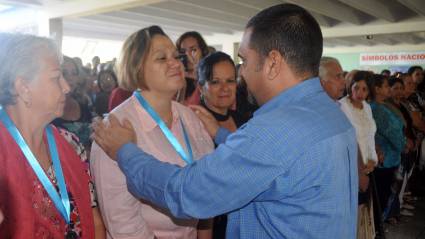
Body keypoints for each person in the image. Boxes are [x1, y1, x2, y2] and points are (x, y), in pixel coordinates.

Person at [92, 4, 358, 239]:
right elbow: (278, 164)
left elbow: (189, 192)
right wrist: (220, 134)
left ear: (273, 62)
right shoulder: (330, 112)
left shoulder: (274, 130)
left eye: (244, 60)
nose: (241, 72)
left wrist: (126, 152)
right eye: (162, 58)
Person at [90, 26, 214, 239]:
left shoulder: (190, 118)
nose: (175, 63)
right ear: (137, 68)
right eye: (161, 58)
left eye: (176, 56)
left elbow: (208, 182)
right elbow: (122, 222)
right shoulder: (115, 128)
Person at [0, 33, 105, 238]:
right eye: (56, 78)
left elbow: (94, 219)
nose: (66, 88)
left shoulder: (71, 144)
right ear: (24, 88)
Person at [339, 71, 377, 239]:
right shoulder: (342, 106)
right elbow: (346, 141)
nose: (360, 93)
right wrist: (360, 166)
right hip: (350, 166)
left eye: (365, 89)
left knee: (363, 210)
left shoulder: (367, 108)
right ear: (350, 87)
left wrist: (372, 159)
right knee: (350, 210)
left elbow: (370, 136)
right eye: (357, 88)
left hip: (368, 166)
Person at [369, 74, 406, 222]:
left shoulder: (383, 106)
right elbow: (391, 132)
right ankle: (378, 229)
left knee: (385, 196)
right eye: (386, 86)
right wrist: (403, 144)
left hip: (390, 158)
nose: (388, 89)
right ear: (377, 89)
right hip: (384, 160)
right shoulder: (377, 109)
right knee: (381, 197)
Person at [198, 52, 249, 132]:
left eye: (230, 81)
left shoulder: (244, 121)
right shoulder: (194, 123)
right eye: (215, 82)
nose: (225, 88)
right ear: (201, 88)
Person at [53, 56, 93, 149]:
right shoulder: (48, 109)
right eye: (64, 73)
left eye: (74, 73)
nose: (70, 78)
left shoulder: (83, 103)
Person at [176, 31, 210, 104]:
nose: (187, 55)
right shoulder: (177, 79)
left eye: (193, 50)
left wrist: (199, 78)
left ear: (203, 51)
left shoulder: (211, 75)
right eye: (183, 51)